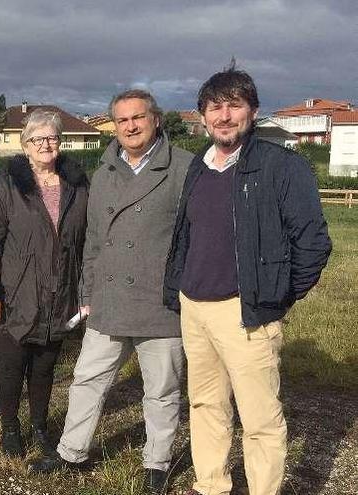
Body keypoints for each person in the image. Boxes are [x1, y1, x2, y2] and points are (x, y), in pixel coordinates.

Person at [164, 66, 332, 495]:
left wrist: (274, 297)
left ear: (252, 112)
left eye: (234, 105)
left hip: (247, 313)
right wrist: (180, 289)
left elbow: (313, 245)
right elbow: (186, 235)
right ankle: (212, 486)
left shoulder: (282, 167)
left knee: (259, 419)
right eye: (214, 107)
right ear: (202, 116)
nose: (224, 115)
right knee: (206, 406)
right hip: (195, 309)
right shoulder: (197, 168)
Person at [40, 90, 193, 494]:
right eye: (122, 120)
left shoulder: (183, 168)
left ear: (156, 119)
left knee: (161, 390)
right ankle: (71, 451)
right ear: (114, 125)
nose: (130, 126)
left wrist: (182, 291)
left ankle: (156, 463)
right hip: (108, 301)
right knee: (87, 379)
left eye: (138, 117)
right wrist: (87, 291)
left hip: (160, 305)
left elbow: (196, 239)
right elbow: (93, 241)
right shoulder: (104, 170)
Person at [0, 109, 88, 464]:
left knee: (44, 367)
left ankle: (40, 427)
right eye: (37, 139)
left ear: (60, 142)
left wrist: (85, 294)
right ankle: (10, 427)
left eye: (51, 138)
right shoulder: (9, 186)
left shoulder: (78, 186)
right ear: (25, 146)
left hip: (60, 293)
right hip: (17, 294)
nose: (45, 145)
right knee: (12, 366)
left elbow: (88, 241)